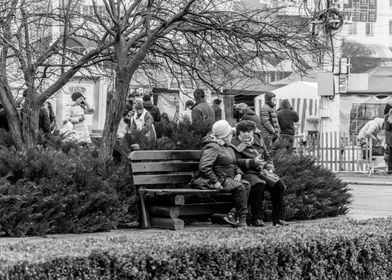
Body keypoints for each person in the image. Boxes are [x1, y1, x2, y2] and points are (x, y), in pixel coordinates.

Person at [231, 120, 288, 226]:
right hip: (246, 172)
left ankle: (279, 218)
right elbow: (235, 161)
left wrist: (270, 168)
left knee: (278, 184)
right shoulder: (234, 143)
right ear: (239, 132)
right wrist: (253, 162)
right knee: (258, 184)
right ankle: (257, 218)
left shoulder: (258, 138)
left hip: (263, 171)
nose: (246, 134)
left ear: (253, 131)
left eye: (249, 131)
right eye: (243, 132)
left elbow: (267, 155)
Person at [196, 120, 249, 227]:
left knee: (247, 185)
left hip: (227, 178)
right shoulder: (213, 147)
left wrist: (239, 173)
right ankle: (242, 221)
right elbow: (204, 167)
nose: (232, 136)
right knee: (241, 187)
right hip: (217, 180)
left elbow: (234, 164)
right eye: (231, 134)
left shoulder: (226, 146)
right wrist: (215, 182)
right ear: (224, 136)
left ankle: (232, 215)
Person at [384, 105, 392, 174]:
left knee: (390, 154)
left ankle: (390, 169)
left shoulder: (387, 116)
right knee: (390, 154)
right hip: (390, 138)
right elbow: (388, 128)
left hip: (389, 138)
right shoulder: (388, 116)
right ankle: (390, 169)